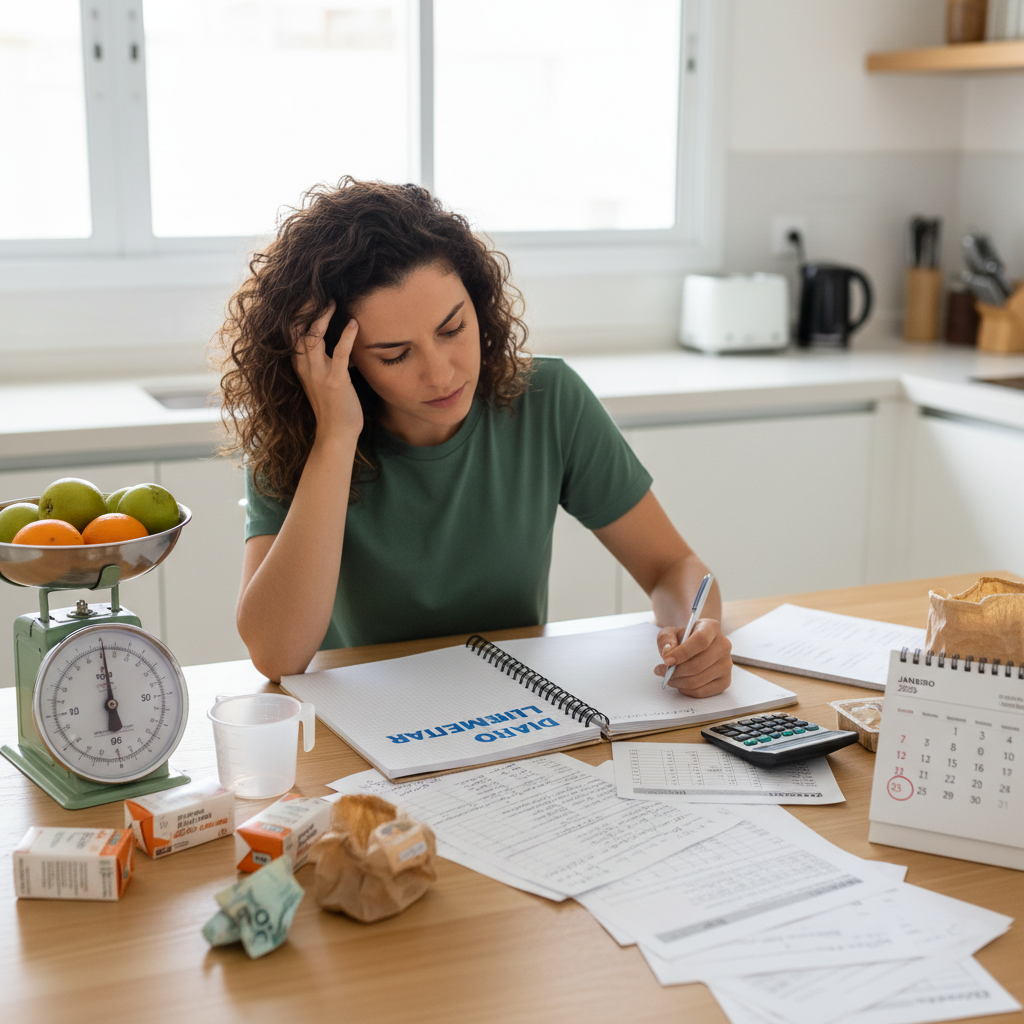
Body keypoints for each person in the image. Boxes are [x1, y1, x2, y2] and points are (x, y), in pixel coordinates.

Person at [218, 177, 732, 694]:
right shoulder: (298, 433)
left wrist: (697, 633)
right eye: (395, 354)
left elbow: (671, 566)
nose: (441, 374)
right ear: (340, 359)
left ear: (478, 303)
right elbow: (276, 656)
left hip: (517, 710)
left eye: (452, 329)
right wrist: (336, 436)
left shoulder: (549, 398)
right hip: (361, 718)